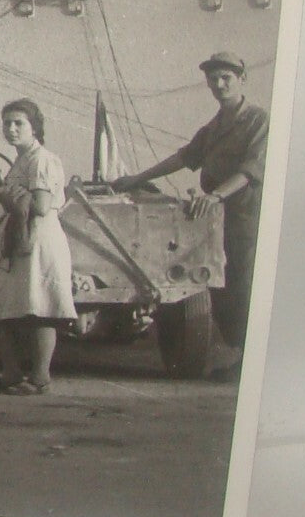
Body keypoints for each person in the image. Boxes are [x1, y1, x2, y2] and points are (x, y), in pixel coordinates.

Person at [112, 51, 269, 382]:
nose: (219, 84)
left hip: (244, 217)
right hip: (213, 219)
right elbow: (183, 158)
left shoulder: (257, 121)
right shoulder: (213, 127)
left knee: (244, 285)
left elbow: (250, 172)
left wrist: (215, 196)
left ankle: (254, 364)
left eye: (226, 77)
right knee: (219, 288)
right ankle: (242, 358)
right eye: (213, 79)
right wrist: (138, 179)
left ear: (242, 79)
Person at [0, 98, 76, 396]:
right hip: (17, 237)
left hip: (38, 239)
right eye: (7, 123)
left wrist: (4, 196)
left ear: (35, 127)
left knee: (40, 307)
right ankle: (11, 373)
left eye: (19, 123)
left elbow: (42, 206)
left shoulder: (42, 159)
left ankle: (39, 378)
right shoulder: (21, 159)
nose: (11, 128)